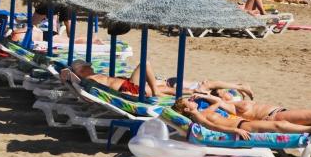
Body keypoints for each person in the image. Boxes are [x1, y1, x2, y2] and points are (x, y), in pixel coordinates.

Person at [61, 59, 252, 99]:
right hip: (128, 90)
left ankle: (207, 92)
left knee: (192, 88)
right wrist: (69, 74)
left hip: (130, 86)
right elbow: (68, 75)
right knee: (145, 63)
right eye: (87, 66)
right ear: (81, 70)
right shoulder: (89, 80)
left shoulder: (91, 78)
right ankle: (211, 90)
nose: (91, 67)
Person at [202, 91, 311, 134]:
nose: (227, 92)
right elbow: (216, 101)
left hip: (281, 111)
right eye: (223, 92)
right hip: (275, 117)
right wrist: (205, 95)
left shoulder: (236, 100)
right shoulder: (230, 106)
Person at [173, 97, 311, 138]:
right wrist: (235, 132)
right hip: (240, 127)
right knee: (278, 126)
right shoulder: (198, 117)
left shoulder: (202, 111)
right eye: (190, 101)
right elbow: (213, 127)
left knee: (281, 123)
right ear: (187, 109)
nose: (193, 101)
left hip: (242, 123)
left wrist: (200, 95)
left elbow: (218, 102)